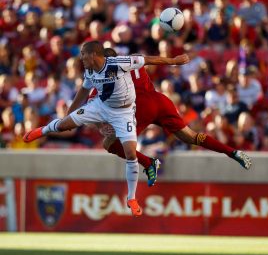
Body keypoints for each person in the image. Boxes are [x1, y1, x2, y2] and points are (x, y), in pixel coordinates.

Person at [23, 40, 190, 217]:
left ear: (94, 55)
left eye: (84, 54)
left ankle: (132, 198)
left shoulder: (118, 63)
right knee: (64, 125)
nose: (81, 58)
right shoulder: (89, 71)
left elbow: (147, 59)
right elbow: (83, 93)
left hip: (123, 112)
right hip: (101, 107)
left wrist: (174, 61)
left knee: (131, 153)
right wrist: (70, 115)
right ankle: (41, 131)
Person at [96, 48, 252, 185]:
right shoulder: (133, 59)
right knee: (192, 136)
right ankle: (233, 152)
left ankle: (149, 163)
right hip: (160, 100)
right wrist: (174, 61)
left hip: (141, 108)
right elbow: (153, 60)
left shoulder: (107, 72)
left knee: (109, 143)